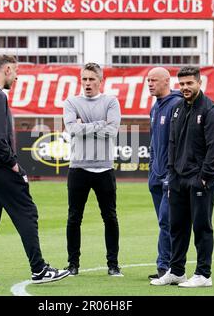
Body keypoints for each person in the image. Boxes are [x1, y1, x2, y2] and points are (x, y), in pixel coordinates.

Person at [0, 55, 70, 286]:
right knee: (27, 212)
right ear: (7, 69)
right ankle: (39, 269)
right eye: (16, 71)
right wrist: (15, 165)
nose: (17, 76)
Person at [151, 66, 214, 288]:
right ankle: (176, 271)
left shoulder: (210, 109)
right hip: (177, 178)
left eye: (189, 83)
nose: (185, 88)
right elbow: (172, 142)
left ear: (199, 83)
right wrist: (170, 174)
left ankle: (203, 274)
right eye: (182, 84)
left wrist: (204, 176)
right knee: (177, 226)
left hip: (199, 179)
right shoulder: (177, 108)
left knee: (201, 227)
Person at [63, 62, 123, 277]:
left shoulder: (111, 101)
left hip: (104, 169)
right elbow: (73, 129)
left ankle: (113, 264)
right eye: (84, 79)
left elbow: (112, 130)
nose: (87, 83)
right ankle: (73, 264)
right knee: (74, 218)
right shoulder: (71, 102)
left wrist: (85, 126)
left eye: (91, 79)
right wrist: (100, 124)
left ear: (100, 81)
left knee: (110, 217)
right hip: (78, 168)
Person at [146, 67, 183, 281]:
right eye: (148, 80)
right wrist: (152, 168)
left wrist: (172, 172)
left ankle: (167, 266)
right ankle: (164, 264)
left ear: (167, 81)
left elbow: (178, 142)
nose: (150, 84)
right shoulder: (154, 108)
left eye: (154, 80)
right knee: (163, 221)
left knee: (168, 220)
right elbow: (153, 142)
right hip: (156, 175)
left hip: (170, 175)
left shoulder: (176, 105)